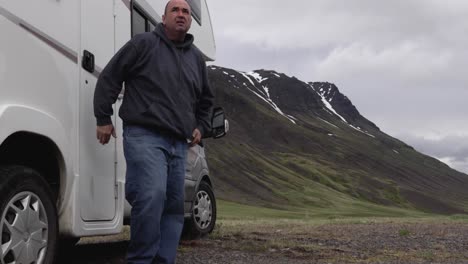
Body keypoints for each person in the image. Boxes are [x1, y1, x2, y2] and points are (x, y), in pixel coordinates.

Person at [93, 0, 213, 263]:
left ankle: (163, 260)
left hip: (179, 143)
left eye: (186, 11)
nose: (181, 15)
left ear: (190, 20)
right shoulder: (143, 44)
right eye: (175, 10)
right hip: (144, 134)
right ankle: (140, 259)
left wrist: (201, 127)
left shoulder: (196, 59)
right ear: (164, 16)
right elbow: (110, 77)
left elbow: (206, 101)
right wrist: (103, 117)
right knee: (151, 195)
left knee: (173, 206)